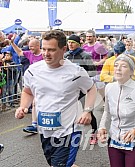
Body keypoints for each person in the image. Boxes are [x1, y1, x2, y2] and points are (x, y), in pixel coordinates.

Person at [15, 30, 97, 167]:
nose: (46, 54)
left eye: (51, 50)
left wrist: (87, 110)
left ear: (63, 49)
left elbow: (91, 88)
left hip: (69, 130)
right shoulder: (33, 70)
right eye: (44, 49)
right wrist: (23, 106)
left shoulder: (76, 72)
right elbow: (27, 92)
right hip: (45, 130)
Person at [98, 54, 135, 167]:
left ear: (131, 71)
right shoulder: (109, 87)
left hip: (134, 141)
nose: (118, 69)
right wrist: (102, 126)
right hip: (114, 140)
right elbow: (107, 111)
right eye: (116, 65)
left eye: (123, 66)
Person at [64, 34, 98, 145]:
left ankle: (94, 133)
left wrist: (81, 77)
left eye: (72, 42)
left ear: (78, 43)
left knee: (88, 111)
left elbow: (93, 72)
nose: (70, 44)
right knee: (69, 110)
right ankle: (69, 133)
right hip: (70, 88)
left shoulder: (85, 56)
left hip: (83, 88)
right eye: (69, 42)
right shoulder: (66, 56)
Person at [11, 34, 43, 134]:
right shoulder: (30, 54)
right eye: (29, 47)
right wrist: (12, 43)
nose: (30, 48)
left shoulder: (44, 54)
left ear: (38, 46)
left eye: (32, 46)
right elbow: (20, 52)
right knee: (34, 103)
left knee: (40, 103)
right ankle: (34, 125)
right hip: (35, 83)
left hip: (46, 82)